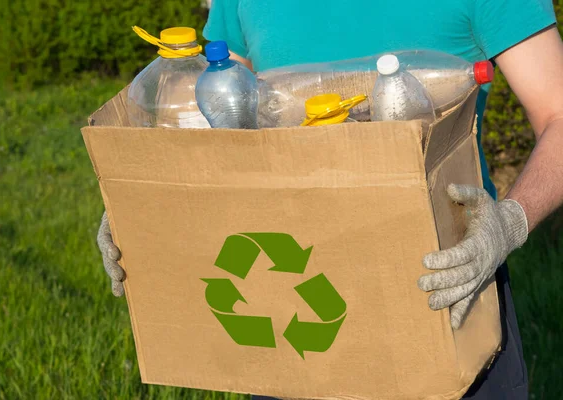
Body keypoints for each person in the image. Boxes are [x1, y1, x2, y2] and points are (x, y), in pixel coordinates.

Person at [97, 0, 563, 398]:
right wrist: (141, 206)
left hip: (444, 281)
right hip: (285, 292)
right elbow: (217, 113)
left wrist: (509, 223)